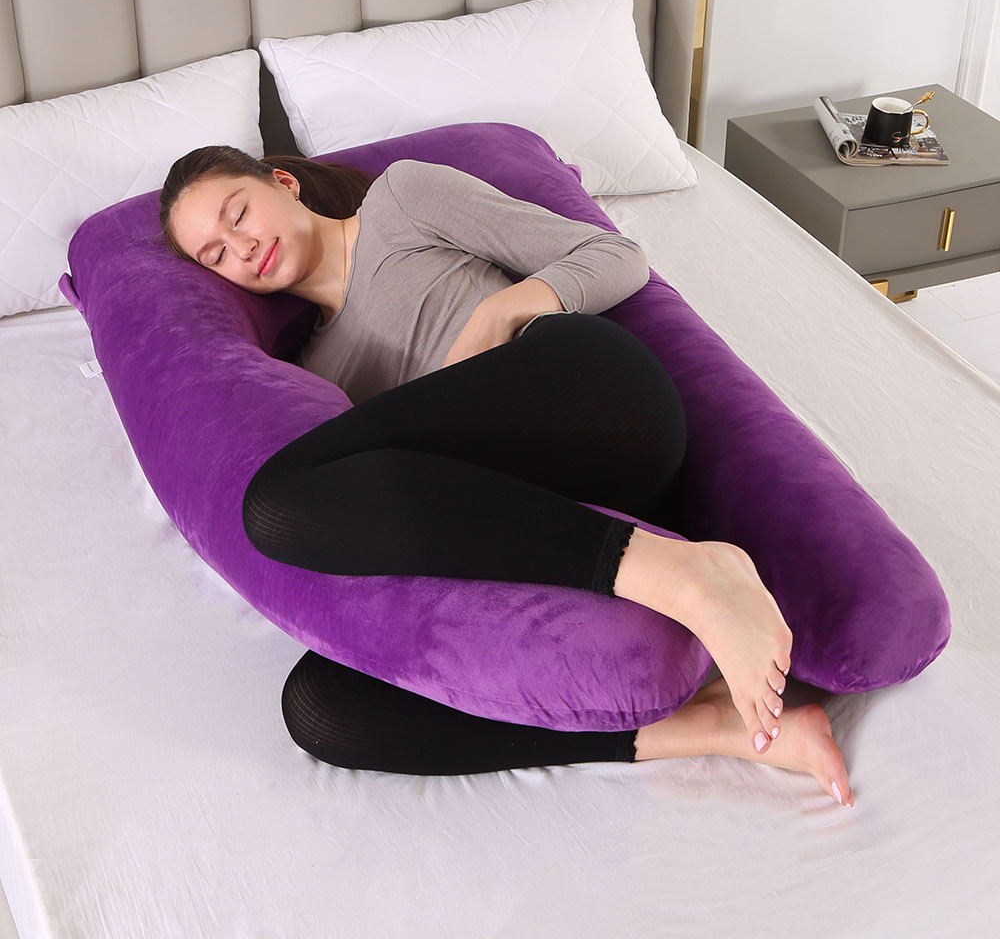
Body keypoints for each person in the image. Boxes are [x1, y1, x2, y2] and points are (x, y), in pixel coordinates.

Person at [159, 145, 854, 808]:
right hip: (537, 522)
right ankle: (709, 726)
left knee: (281, 499)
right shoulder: (315, 373)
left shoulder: (400, 199)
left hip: (594, 402)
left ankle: (693, 575)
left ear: (282, 182)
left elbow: (616, 256)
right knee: (322, 706)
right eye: (214, 255)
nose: (241, 249)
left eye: (238, 213)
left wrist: (501, 312)